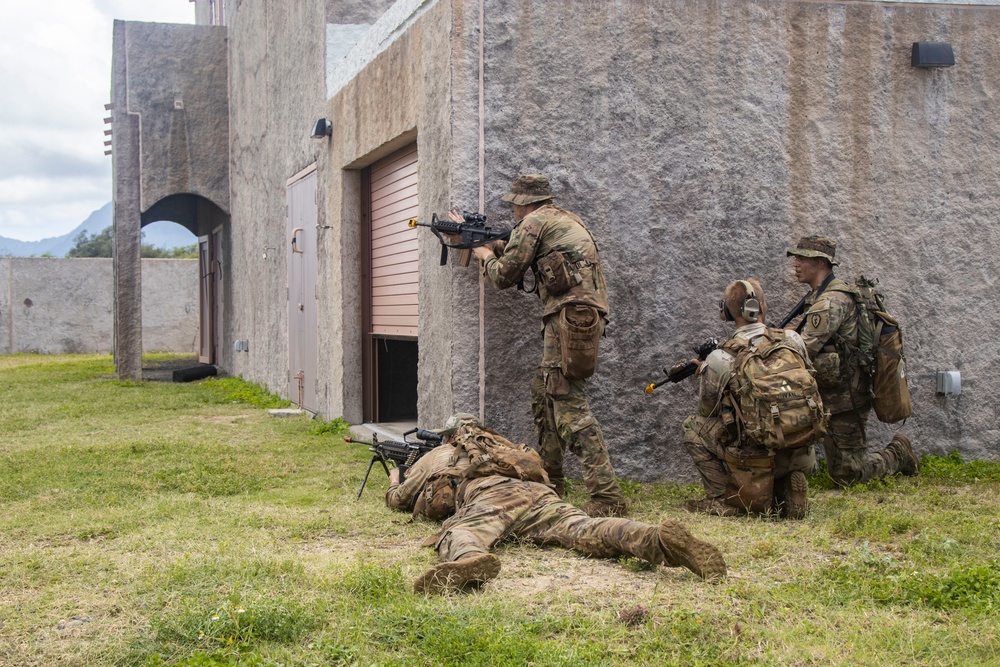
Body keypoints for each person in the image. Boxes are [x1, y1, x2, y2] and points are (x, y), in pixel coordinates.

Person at [385, 414, 727, 594]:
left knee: (462, 531)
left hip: (491, 495)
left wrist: (394, 481)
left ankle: (469, 561)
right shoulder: (501, 447)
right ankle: (657, 539)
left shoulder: (444, 453)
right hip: (539, 494)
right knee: (586, 529)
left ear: (449, 436)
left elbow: (400, 500)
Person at [462, 173, 627, 518]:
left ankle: (607, 497)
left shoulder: (534, 222)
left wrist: (481, 253)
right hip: (576, 316)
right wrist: (495, 246)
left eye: (514, 207)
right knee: (544, 390)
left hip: (571, 317)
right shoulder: (562, 218)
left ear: (523, 203)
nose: (513, 214)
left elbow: (503, 276)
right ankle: (552, 480)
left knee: (568, 403)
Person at [786, 235, 919, 486]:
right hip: (826, 393)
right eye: (796, 257)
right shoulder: (818, 297)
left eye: (803, 258)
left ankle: (898, 454)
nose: (796, 263)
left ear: (822, 263)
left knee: (849, 474)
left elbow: (804, 349)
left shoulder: (830, 301)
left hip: (844, 398)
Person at [681, 279, 818, 518]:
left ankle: (724, 498)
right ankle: (784, 486)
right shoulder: (792, 340)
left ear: (726, 312)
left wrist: (707, 372)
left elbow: (707, 411)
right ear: (762, 307)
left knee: (692, 428)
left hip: (756, 460)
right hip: (800, 448)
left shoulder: (720, 357)